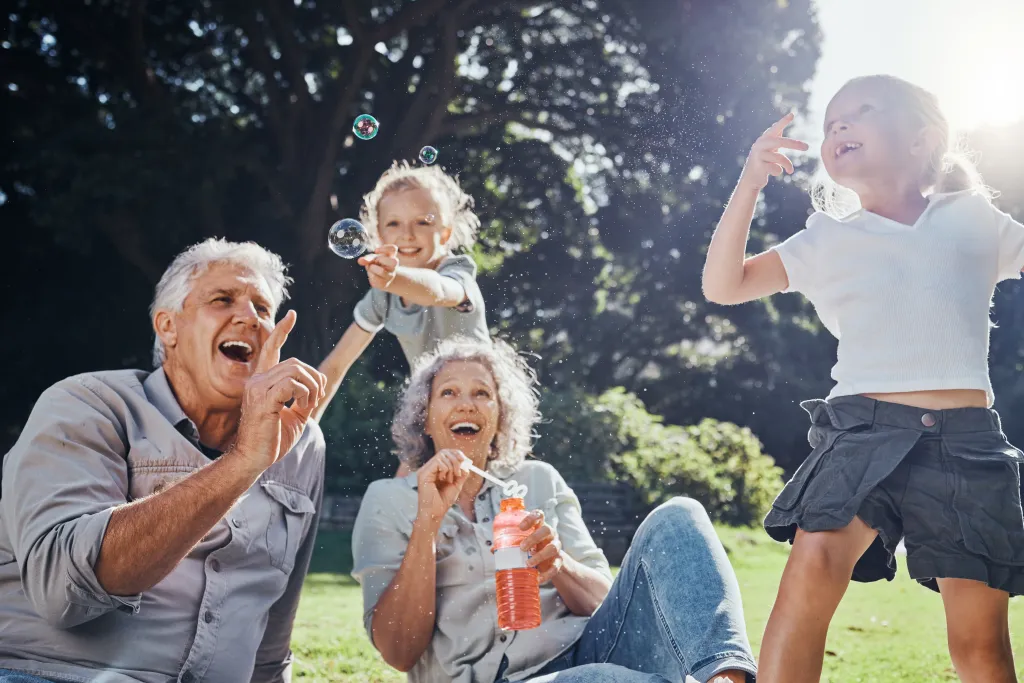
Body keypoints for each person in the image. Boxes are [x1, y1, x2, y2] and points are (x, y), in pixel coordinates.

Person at [702, 75, 1024, 683]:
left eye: (860, 113)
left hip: (967, 445)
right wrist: (749, 183)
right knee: (814, 565)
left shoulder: (976, 220)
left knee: (980, 645)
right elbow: (724, 286)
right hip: (861, 429)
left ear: (921, 139)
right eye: (830, 124)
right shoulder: (829, 238)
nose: (838, 129)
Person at [0, 238, 328, 683]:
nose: (249, 318)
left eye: (262, 309)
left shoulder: (302, 441)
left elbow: (272, 628)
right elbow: (62, 592)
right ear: (168, 327)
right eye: (222, 299)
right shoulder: (88, 405)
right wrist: (243, 462)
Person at [351, 338, 757, 683]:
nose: (467, 404)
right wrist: (428, 524)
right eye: (448, 393)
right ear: (425, 418)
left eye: (482, 393)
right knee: (603, 680)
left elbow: (605, 602)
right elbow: (399, 652)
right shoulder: (388, 500)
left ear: (500, 417)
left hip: (586, 653)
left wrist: (558, 564)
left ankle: (726, 676)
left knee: (679, 515)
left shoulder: (539, 480)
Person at [314, 160, 491, 424]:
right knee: (412, 465)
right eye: (394, 224)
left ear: (444, 234)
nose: (406, 234)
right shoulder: (383, 295)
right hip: (432, 410)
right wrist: (301, 426)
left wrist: (395, 278)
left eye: (421, 222)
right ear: (379, 236)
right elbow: (336, 365)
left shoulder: (457, 271)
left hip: (481, 404)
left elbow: (438, 290)